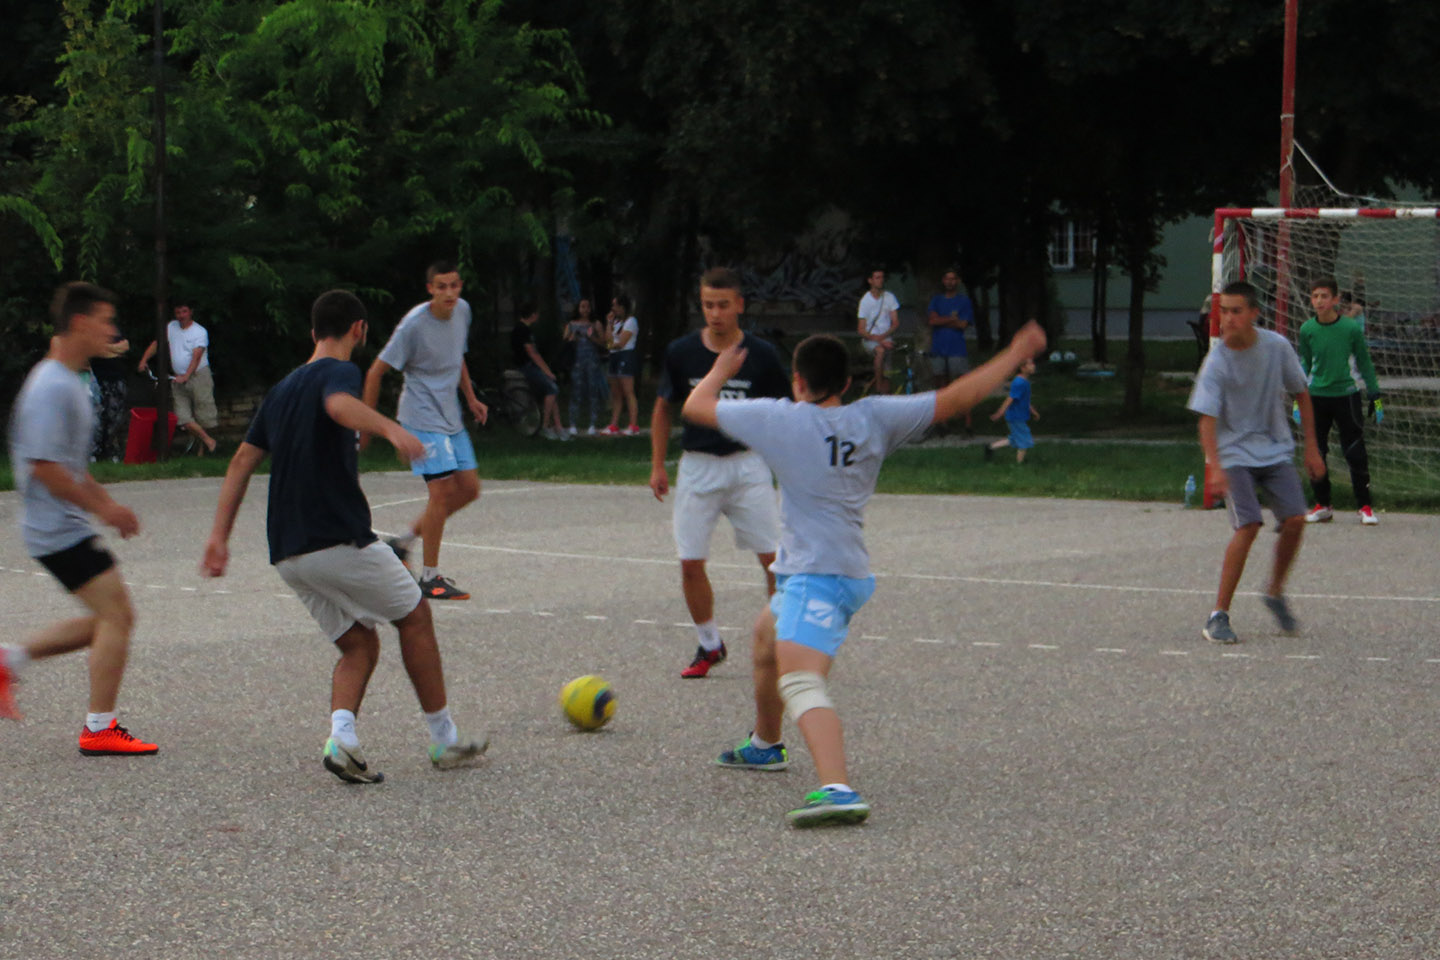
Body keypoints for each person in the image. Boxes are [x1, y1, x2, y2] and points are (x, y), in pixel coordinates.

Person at [684, 321, 1047, 826]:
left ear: (798, 381)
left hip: (819, 576)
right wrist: (1012, 353)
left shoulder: (779, 419)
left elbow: (695, 407)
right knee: (765, 637)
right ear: (849, 384)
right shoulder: (876, 416)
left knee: (802, 681)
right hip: (832, 571)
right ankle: (766, 743)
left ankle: (837, 788)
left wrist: (720, 370)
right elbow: (954, 399)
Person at [201, 289, 487, 784]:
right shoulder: (339, 373)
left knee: (358, 644)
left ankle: (343, 741)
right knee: (415, 616)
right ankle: (444, 739)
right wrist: (392, 429)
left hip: (288, 553)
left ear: (313, 332)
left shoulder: (282, 388)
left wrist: (218, 537)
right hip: (334, 538)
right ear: (358, 330)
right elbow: (338, 406)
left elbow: (242, 461)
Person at [0, 282, 156, 755]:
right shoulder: (51, 386)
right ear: (82, 322)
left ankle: (9, 660)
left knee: (108, 620)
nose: (113, 330)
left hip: (61, 527)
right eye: (106, 321)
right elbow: (45, 469)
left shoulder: (68, 381)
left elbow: (72, 467)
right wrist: (105, 509)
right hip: (55, 530)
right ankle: (99, 728)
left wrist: (108, 506)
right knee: (117, 616)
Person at [650, 267, 791, 678]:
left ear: (739, 306)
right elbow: (663, 407)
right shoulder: (681, 352)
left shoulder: (761, 355)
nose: (715, 313)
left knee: (773, 562)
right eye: (709, 305)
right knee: (690, 562)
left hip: (748, 466)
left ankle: (782, 641)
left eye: (723, 305)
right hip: (698, 466)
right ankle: (709, 643)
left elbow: (786, 412)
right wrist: (658, 464)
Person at [1188, 281, 1326, 645]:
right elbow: (1206, 419)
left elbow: (1302, 392)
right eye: (1224, 311)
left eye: (1236, 311)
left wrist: (1312, 448)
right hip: (1234, 454)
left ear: (1253, 314)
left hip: (1274, 448)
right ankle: (1218, 615)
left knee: (1296, 519)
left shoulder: (1276, 347)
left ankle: (1274, 592)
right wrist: (1215, 467)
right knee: (1248, 524)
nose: (1228, 319)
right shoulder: (1216, 360)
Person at [362, 262, 488, 601]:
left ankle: (400, 545)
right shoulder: (413, 325)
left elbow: (457, 356)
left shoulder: (462, 311)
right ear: (430, 289)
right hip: (420, 417)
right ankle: (430, 579)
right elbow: (376, 371)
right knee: (442, 492)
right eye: (441, 287)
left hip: (450, 416)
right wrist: (369, 426)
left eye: (454, 285)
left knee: (470, 489)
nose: (449, 293)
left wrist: (471, 398)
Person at [1299, 277, 1382, 526]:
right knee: (1317, 450)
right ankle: (1323, 504)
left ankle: (1364, 506)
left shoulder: (1350, 329)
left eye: (1325, 296)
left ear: (1335, 300)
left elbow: (1364, 362)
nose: (1319, 301)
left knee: (1354, 450)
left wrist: (1375, 394)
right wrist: (1297, 396)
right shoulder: (1307, 330)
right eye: (1315, 296)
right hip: (1317, 396)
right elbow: (1305, 362)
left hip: (1347, 395)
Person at [139, 300, 219, 454]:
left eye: (184, 312)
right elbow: (157, 343)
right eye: (178, 312)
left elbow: (196, 356)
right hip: (177, 377)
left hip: (198, 375)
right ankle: (209, 441)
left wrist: (187, 375)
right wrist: (144, 360)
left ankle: (202, 449)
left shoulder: (199, 331)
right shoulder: (171, 327)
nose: (181, 316)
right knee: (181, 416)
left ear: (190, 312)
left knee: (205, 414)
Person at [511, 302, 567, 440]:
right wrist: (547, 371)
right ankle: (545, 426)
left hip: (527, 365)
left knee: (552, 389)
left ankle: (558, 426)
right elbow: (532, 353)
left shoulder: (520, 329)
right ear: (533, 315)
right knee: (552, 389)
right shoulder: (523, 330)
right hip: (527, 367)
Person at [564, 298, 609, 435]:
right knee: (576, 392)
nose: (585, 309)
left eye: (587, 307)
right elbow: (565, 340)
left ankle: (592, 424)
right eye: (582, 307)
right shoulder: (571, 324)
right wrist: (571, 337)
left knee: (593, 391)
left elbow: (604, 343)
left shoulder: (595, 324)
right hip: (577, 362)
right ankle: (572, 423)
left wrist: (592, 338)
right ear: (578, 308)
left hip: (592, 362)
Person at [985, 357, 1039, 462]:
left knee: (1015, 438)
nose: (1034, 366)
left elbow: (1025, 401)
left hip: (1018, 416)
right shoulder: (1019, 383)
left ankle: (990, 448)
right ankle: (1020, 465)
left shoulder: (1024, 382)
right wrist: (1000, 413)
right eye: (1030, 364)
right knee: (1025, 439)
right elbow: (1010, 399)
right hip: (1015, 417)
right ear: (1022, 368)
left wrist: (1033, 411)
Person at [89, 323, 130, 461]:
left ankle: (110, 450)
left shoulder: (116, 329)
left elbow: (125, 347)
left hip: (118, 378)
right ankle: (95, 452)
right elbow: (95, 350)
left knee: (115, 417)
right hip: (99, 380)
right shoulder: (92, 331)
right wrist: (114, 350)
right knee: (99, 416)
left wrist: (107, 349)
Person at [602, 294, 641, 435]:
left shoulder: (631, 321)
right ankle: (614, 424)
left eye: (615, 305)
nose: (613, 308)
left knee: (628, 391)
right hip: (614, 356)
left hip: (626, 355)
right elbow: (608, 340)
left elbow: (621, 343)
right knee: (616, 393)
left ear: (622, 307)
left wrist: (611, 344)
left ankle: (633, 425)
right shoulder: (616, 323)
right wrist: (609, 323)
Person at [857, 268, 899, 394]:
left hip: (887, 338)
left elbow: (895, 322)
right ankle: (878, 387)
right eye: (877, 277)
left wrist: (884, 337)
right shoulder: (865, 301)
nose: (881, 280)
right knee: (880, 351)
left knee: (888, 374)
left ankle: (884, 392)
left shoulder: (889, 297)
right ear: (870, 280)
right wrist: (880, 340)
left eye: (882, 277)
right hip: (871, 340)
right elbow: (861, 329)